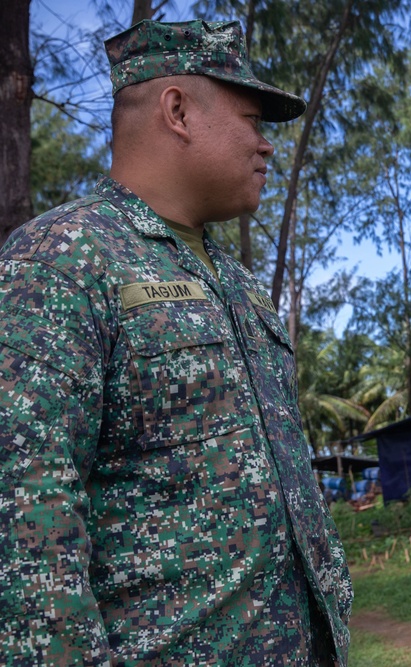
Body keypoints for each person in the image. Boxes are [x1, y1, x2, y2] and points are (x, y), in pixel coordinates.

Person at [0, 19, 351, 666]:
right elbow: (23, 535)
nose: (267, 146)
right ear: (178, 110)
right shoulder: (62, 261)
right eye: (252, 119)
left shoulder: (240, 284)